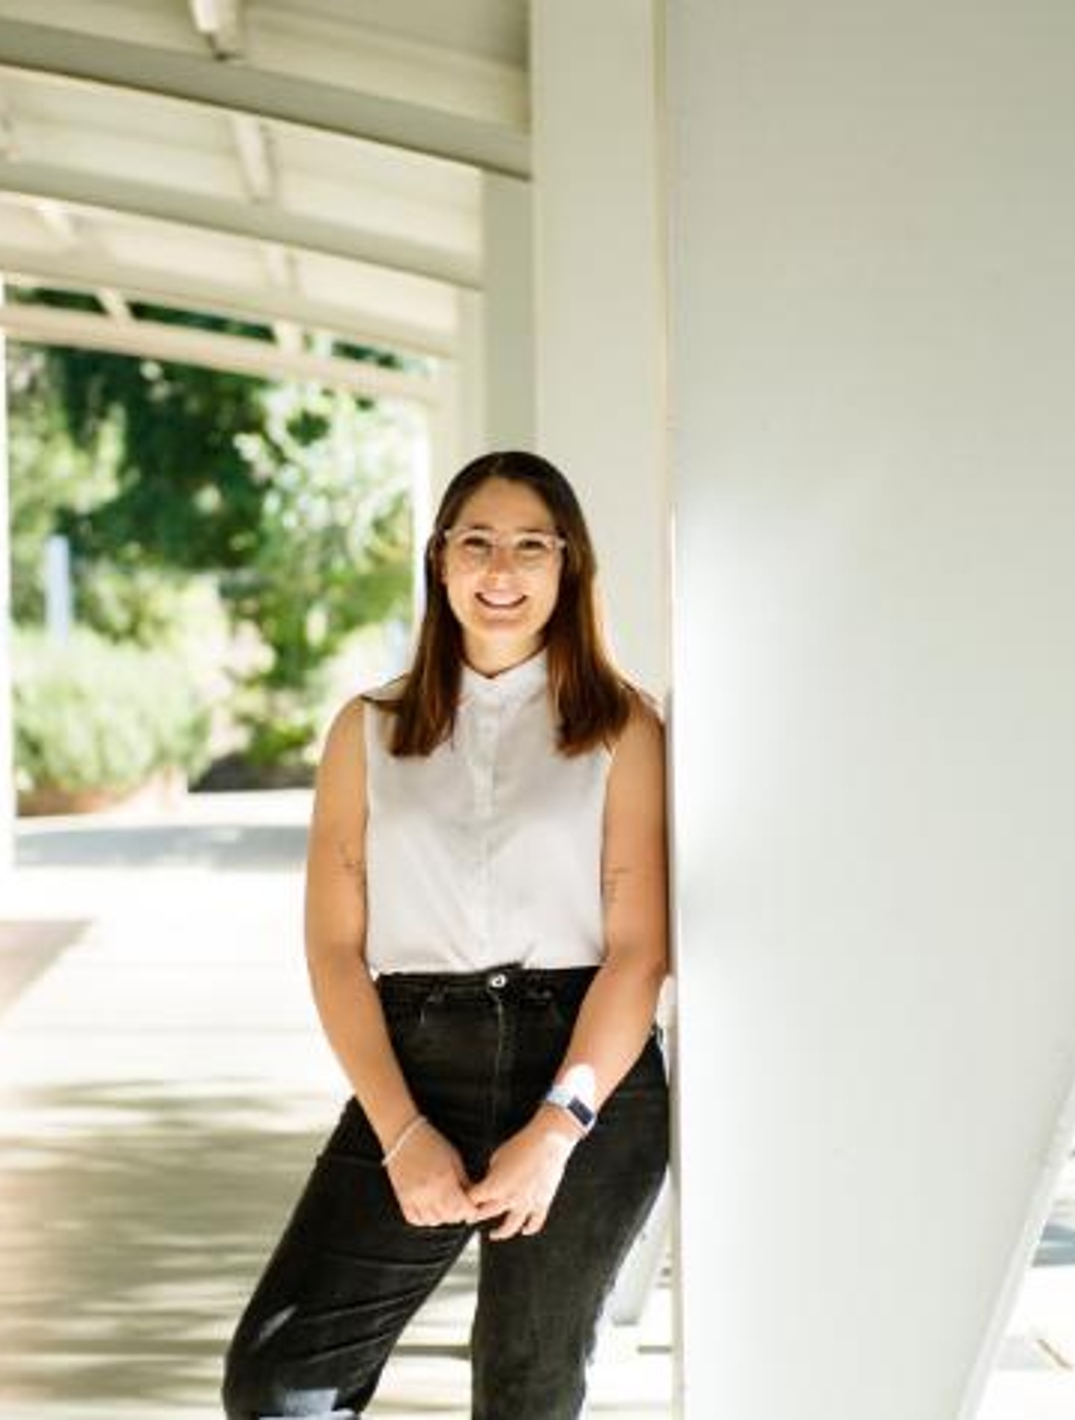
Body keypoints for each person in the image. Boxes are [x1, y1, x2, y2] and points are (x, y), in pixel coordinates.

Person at [222, 450, 672, 1420]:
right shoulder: (369, 731)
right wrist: (400, 1132)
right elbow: (334, 951)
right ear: (439, 561)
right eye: (476, 542)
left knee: (525, 1387)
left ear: (568, 566)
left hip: (583, 1073)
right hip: (417, 1064)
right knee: (281, 1382)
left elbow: (640, 950)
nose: (499, 570)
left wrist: (557, 1131)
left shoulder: (620, 728)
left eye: (528, 545)